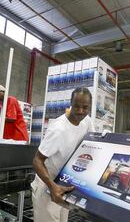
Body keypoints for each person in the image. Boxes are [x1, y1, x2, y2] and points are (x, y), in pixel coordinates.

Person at [31, 87, 95, 222]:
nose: (80, 111)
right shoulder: (58, 129)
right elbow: (37, 160)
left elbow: (93, 141)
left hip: (64, 183)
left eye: (85, 107)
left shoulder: (86, 120)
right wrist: (52, 186)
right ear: (70, 103)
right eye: (76, 106)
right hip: (47, 183)